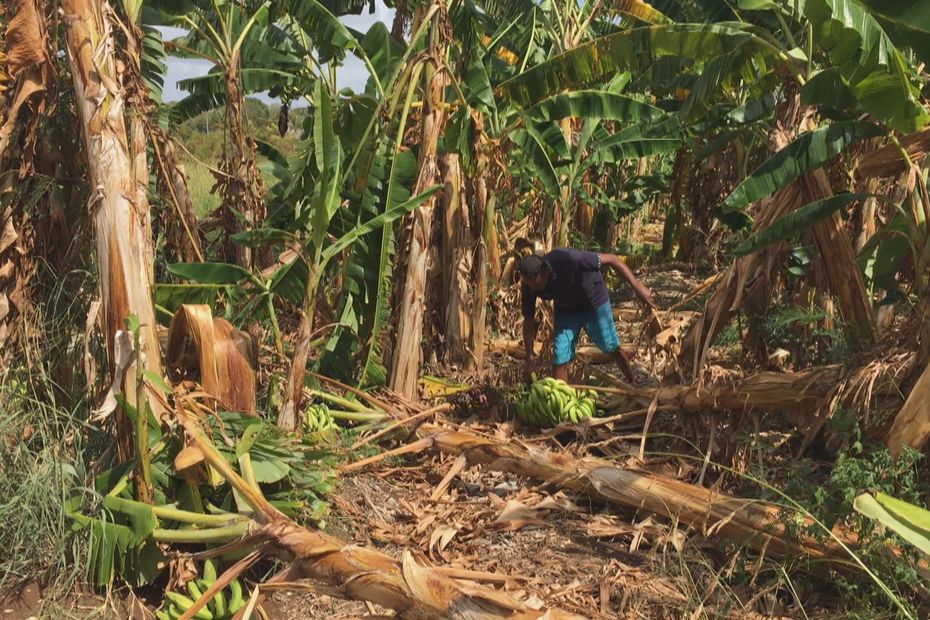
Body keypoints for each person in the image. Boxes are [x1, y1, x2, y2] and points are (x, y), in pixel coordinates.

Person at [520, 248, 656, 384]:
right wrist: (530, 358)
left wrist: (638, 287)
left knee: (610, 345)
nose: (533, 289)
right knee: (560, 354)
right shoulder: (529, 285)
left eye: (536, 284)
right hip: (566, 308)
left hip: (593, 302)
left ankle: (632, 381)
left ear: (545, 272)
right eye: (529, 286)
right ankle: (561, 397)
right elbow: (528, 319)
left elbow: (612, 259)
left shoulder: (571, 259)